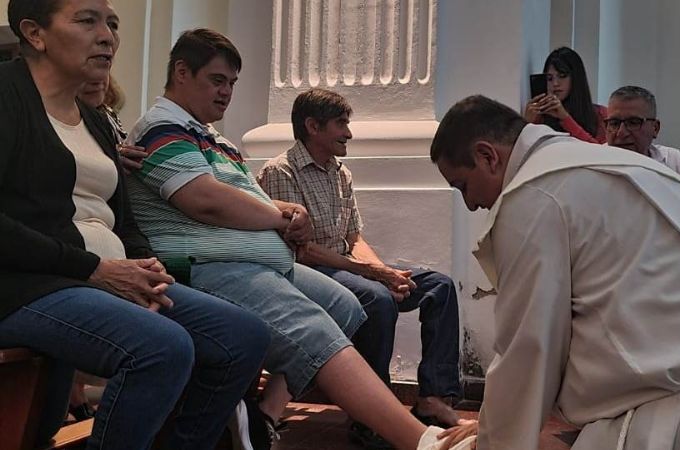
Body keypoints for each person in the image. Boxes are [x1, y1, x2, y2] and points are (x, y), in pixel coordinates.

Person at [124, 28, 450, 450]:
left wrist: (288, 213)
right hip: (207, 265)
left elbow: (252, 198)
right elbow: (205, 201)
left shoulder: (215, 138)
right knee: (314, 328)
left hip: (262, 262)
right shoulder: (160, 127)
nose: (227, 93)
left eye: (232, 84)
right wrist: (283, 215)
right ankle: (421, 441)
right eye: (217, 80)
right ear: (182, 73)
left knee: (348, 306)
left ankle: (262, 417)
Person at [431, 95, 680, 450]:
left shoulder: (532, 196)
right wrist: (502, 417)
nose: (471, 203)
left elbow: (529, 346)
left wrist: (498, 434)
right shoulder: (610, 163)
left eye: (463, 185)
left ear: (487, 155)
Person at [0, 2, 271, 449]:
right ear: (35, 33)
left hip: (100, 277)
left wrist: (147, 266)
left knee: (242, 336)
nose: (107, 36)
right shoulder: (8, 97)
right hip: (29, 283)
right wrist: (95, 270)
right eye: (87, 21)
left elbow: (122, 218)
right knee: (162, 347)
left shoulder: (93, 120)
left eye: (112, 23)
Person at [258, 88, 464, 444]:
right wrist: (373, 276)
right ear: (313, 126)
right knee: (376, 300)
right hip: (310, 272)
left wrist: (387, 274)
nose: (349, 133)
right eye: (341, 124)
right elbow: (303, 251)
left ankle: (434, 397)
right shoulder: (281, 171)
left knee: (438, 287)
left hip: (348, 268)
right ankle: (372, 412)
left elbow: (354, 239)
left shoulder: (341, 173)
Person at [605, 85, 680, 195]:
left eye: (633, 123)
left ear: (655, 128)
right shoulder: (592, 165)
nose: (621, 133)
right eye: (614, 123)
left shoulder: (673, 162)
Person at [524, 47, 607, 144]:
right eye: (549, 78)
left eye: (562, 76)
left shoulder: (600, 114)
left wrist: (565, 118)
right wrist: (527, 125)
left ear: (576, 78)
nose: (555, 83)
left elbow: (599, 151)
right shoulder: (540, 116)